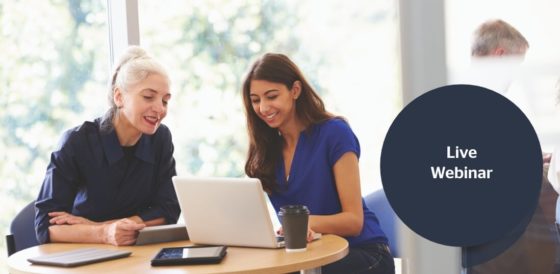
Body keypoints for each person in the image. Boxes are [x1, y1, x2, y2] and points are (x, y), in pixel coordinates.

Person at [241, 53, 394, 274]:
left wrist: (303, 223)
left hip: (363, 253)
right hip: (309, 257)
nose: (263, 107)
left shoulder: (335, 133)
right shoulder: (267, 150)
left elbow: (353, 221)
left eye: (271, 96)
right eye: (255, 100)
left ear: (295, 90)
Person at [34, 46, 180, 246]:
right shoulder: (76, 142)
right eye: (148, 97)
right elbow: (45, 226)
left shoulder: (161, 138)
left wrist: (102, 227)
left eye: (165, 100)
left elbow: (169, 210)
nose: (159, 109)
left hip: (137, 256)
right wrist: (103, 233)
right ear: (119, 97)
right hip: (84, 257)